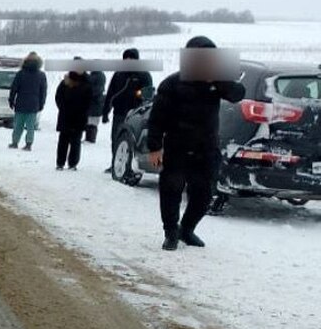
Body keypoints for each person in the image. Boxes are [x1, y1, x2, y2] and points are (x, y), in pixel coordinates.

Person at [146, 36, 246, 251]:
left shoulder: (217, 83)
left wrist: (217, 82)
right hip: (177, 146)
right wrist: (154, 147)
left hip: (206, 148)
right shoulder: (172, 84)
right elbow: (156, 118)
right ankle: (171, 233)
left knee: (204, 194)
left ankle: (187, 229)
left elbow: (238, 94)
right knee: (172, 190)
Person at [101, 48, 153, 149]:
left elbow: (148, 96)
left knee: (132, 140)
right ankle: (115, 163)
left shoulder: (144, 75)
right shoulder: (118, 74)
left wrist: (138, 95)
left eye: (131, 59)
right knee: (116, 138)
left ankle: (130, 162)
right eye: (126, 59)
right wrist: (105, 112)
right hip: (119, 113)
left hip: (136, 114)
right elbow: (110, 94)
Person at [54, 64, 93, 170]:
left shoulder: (87, 83)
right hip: (66, 115)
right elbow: (58, 96)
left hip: (79, 117)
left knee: (75, 142)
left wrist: (83, 111)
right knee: (63, 141)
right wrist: (62, 107)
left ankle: (73, 163)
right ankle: (60, 163)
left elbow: (89, 101)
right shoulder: (65, 82)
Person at [8, 52, 47, 151]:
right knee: (30, 126)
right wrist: (41, 103)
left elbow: (14, 88)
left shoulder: (21, 74)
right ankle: (29, 144)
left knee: (18, 125)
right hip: (34, 104)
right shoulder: (41, 75)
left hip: (21, 103)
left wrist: (11, 100)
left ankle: (15, 142)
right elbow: (43, 91)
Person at [84, 68, 106, 143]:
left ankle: (90, 139)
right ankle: (89, 138)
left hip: (95, 103)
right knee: (91, 122)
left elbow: (96, 90)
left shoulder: (96, 76)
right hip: (95, 103)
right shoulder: (99, 75)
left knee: (92, 123)